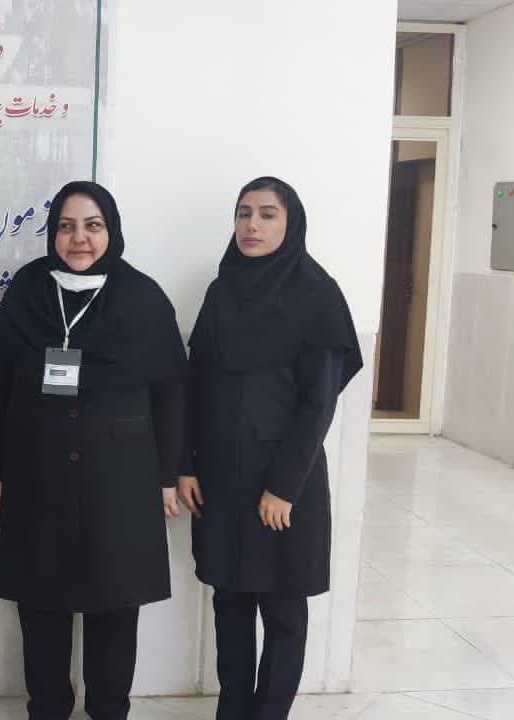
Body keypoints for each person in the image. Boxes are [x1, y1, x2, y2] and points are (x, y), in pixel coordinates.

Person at [0, 181, 188, 720]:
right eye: (67, 227)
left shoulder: (143, 297)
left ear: (111, 230)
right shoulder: (27, 291)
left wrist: (167, 476)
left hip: (121, 481)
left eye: (92, 226)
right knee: (41, 607)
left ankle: (109, 710)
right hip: (37, 477)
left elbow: (170, 392)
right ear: (52, 233)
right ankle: (47, 709)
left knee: (114, 609)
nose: (79, 238)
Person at [178, 177, 363, 720]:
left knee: (283, 610)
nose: (252, 226)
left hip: (285, 483)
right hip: (221, 477)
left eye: (266, 214)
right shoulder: (222, 290)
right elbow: (195, 383)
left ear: (291, 223)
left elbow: (319, 403)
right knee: (230, 604)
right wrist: (185, 464)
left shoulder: (316, 294)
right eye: (243, 214)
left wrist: (282, 487)